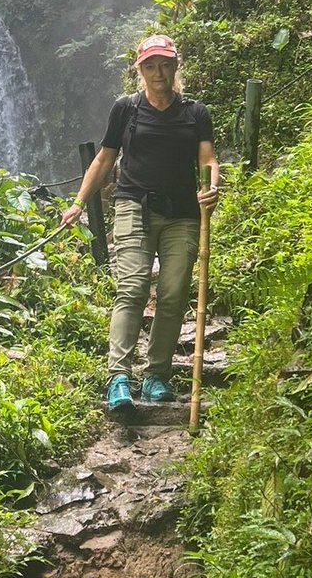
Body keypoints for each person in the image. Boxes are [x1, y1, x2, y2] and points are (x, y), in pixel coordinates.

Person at [61, 34, 219, 409]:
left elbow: (208, 159)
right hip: (134, 206)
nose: (159, 72)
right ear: (140, 69)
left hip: (182, 212)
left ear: (176, 66)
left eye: (165, 64)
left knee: (173, 293)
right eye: (151, 65)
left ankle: (156, 375)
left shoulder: (195, 113)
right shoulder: (126, 109)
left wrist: (212, 187)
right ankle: (119, 377)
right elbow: (103, 159)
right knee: (131, 288)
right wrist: (79, 203)